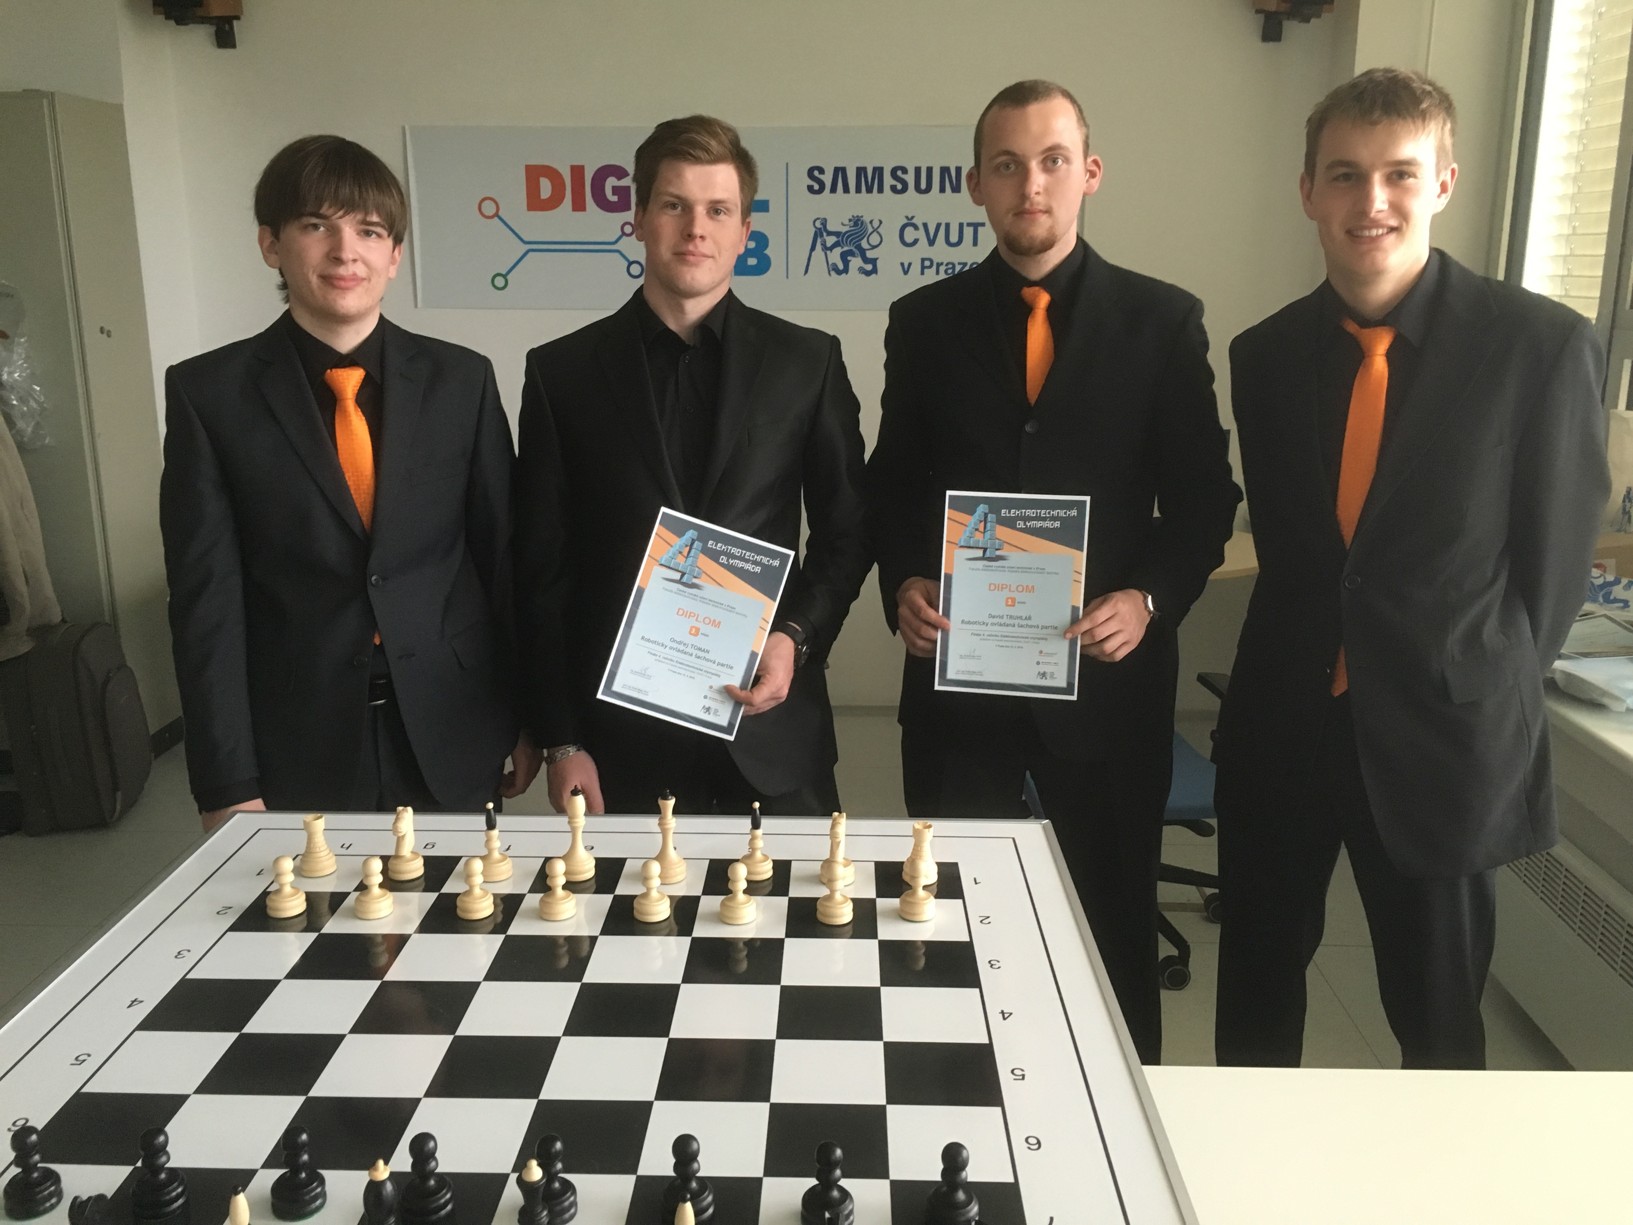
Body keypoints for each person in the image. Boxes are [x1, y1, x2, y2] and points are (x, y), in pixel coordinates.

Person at [1214, 68, 1610, 1069]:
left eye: (1398, 172)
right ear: (1307, 190)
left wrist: (1466, 675)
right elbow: (1302, 555)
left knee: (1435, 1024)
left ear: (1442, 183)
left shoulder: (1538, 347)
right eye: (1345, 175)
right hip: (1283, 727)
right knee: (1254, 1000)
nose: (1372, 200)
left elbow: (1552, 570)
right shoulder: (1263, 356)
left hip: (1442, 739)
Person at [865, 80, 1241, 1063]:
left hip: (1105, 690)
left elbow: (1204, 499)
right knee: (951, 930)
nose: (1029, 183)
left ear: (1089, 173)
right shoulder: (923, 321)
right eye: (1006, 165)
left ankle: (1117, 1114)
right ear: (975, 185)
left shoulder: (1160, 321)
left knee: (1111, 937)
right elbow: (893, 482)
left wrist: (1148, 599)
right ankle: (956, 1104)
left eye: (1051, 160)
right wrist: (904, 579)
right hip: (958, 692)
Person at [161, 135, 536, 831]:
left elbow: (500, 561)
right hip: (295, 742)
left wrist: (525, 716)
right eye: (316, 225)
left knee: (462, 901)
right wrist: (225, 778)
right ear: (270, 244)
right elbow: (205, 602)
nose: (345, 251)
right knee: (314, 906)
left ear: (394, 255)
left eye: (369, 230)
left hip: (454, 725)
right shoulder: (209, 394)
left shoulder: (461, 381)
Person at [515, 115, 870, 816]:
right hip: (618, 747)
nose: (695, 229)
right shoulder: (562, 373)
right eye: (674, 205)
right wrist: (560, 739)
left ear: (745, 231)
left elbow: (849, 531)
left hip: (770, 735)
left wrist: (796, 637)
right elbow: (540, 568)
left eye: (718, 210)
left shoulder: (807, 362)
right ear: (639, 218)